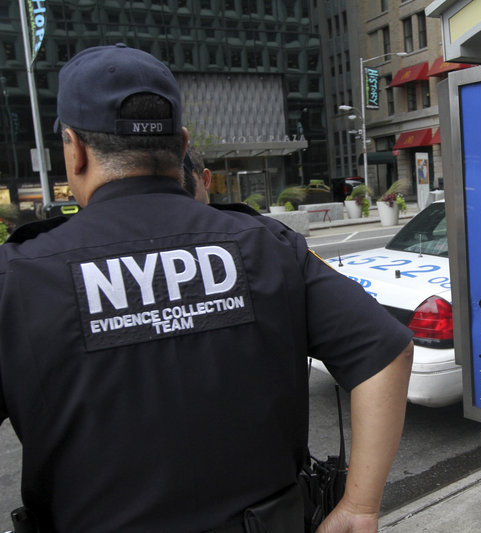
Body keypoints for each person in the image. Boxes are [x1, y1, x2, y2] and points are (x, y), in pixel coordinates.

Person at [0, 44, 413, 533]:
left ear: (75, 148)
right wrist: (360, 506)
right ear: (181, 143)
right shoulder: (266, 245)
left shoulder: (21, 275)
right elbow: (385, 350)